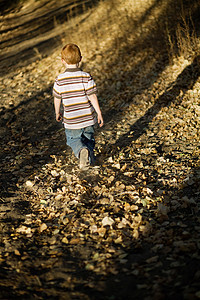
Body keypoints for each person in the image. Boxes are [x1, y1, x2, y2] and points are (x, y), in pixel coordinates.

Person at [53, 43, 104, 170]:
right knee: (89, 140)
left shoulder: (60, 79)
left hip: (72, 120)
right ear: (80, 59)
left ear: (62, 61)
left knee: (73, 140)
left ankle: (81, 152)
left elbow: (57, 98)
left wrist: (57, 112)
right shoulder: (86, 77)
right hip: (87, 118)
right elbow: (92, 96)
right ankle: (90, 161)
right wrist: (99, 112)